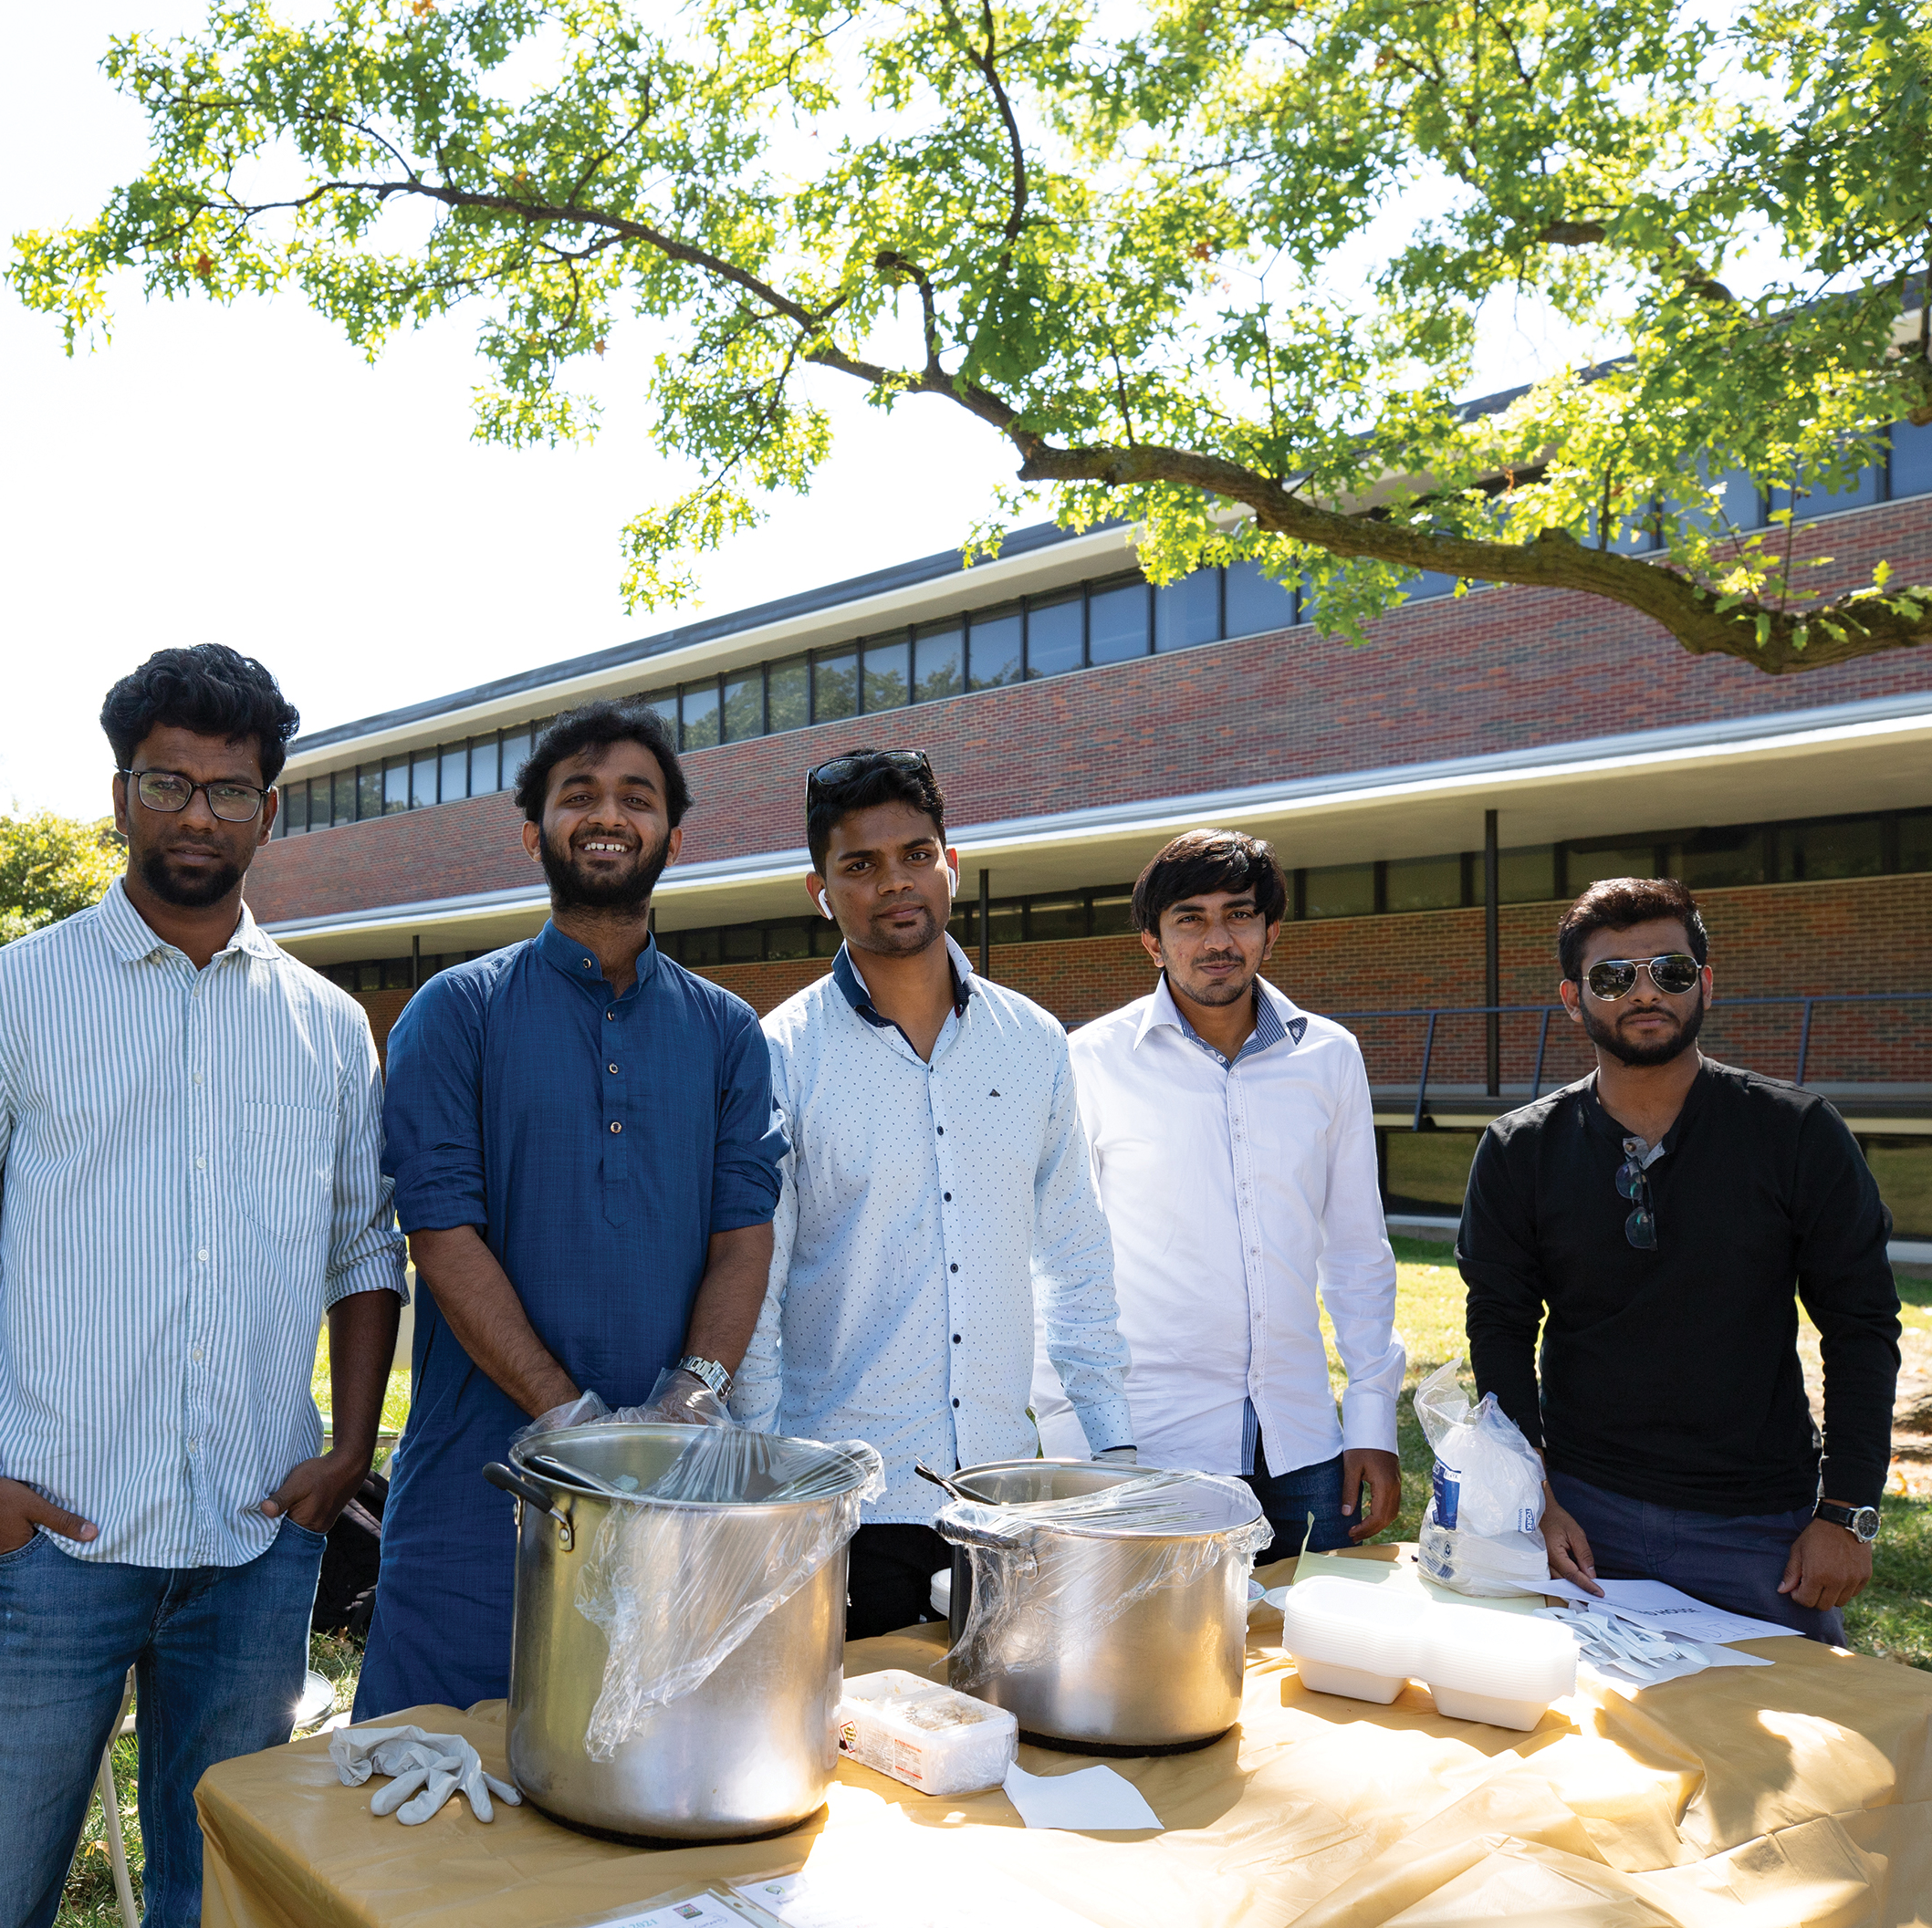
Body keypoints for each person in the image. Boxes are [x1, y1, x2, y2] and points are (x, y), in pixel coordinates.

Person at [0, 646, 406, 1928]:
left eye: (231, 789)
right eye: (169, 782)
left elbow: (365, 1249)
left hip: (252, 1536)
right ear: (119, 793)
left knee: (212, 1910)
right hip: (47, 1538)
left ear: (268, 811)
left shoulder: (331, 1029)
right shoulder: (8, 997)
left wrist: (346, 1445)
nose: (198, 815)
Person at [354, 701, 784, 1718]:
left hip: (669, 1496)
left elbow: (744, 1235)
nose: (608, 815)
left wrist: (687, 1398)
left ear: (674, 839)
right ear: (534, 833)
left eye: (637, 798)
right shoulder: (456, 1013)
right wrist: (568, 1419)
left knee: (647, 1778)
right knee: (433, 1798)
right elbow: (441, 1233)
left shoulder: (728, 1034)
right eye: (577, 795)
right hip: (480, 1492)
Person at [734, 750, 1133, 1636]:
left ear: (952, 862)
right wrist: (761, 1485)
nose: (896, 882)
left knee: (1001, 1745)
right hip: (843, 1505)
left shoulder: (1031, 1040)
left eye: (917, 854)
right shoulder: (778, 1055)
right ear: (819, 890)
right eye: (861, 865)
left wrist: (1115, 1440)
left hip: (1000, 1495)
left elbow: (1072, 1250)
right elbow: (752, 1291)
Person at [1458, 877, 1900, 1642]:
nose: (1644, 992)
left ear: (1705, 983)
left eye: (1670, 971)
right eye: (1612, 977)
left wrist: (1847, 1514)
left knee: (1790, 1754)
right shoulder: (1518, 1150)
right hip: (1581, 1516)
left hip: (1762, 1527)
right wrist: (1533, 1497)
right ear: (1573, 1000)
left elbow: (1862, 1327)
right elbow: (1499, 1327)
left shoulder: (1797, 1134)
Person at [1068, 829, 1402, 1560]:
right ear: (1153, 942)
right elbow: (1061, 1265)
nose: (1218, 938)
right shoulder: (1089, 1063)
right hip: (1154, 1444)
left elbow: (1356, 1252)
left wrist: (1373, 1422)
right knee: (1164, 1666)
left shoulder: (1330, 1057)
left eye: (1239, 915)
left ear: (1270, 930)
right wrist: (1082, 1445)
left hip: (1304, 1442)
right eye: (1189, 918)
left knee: (1318, 1654)